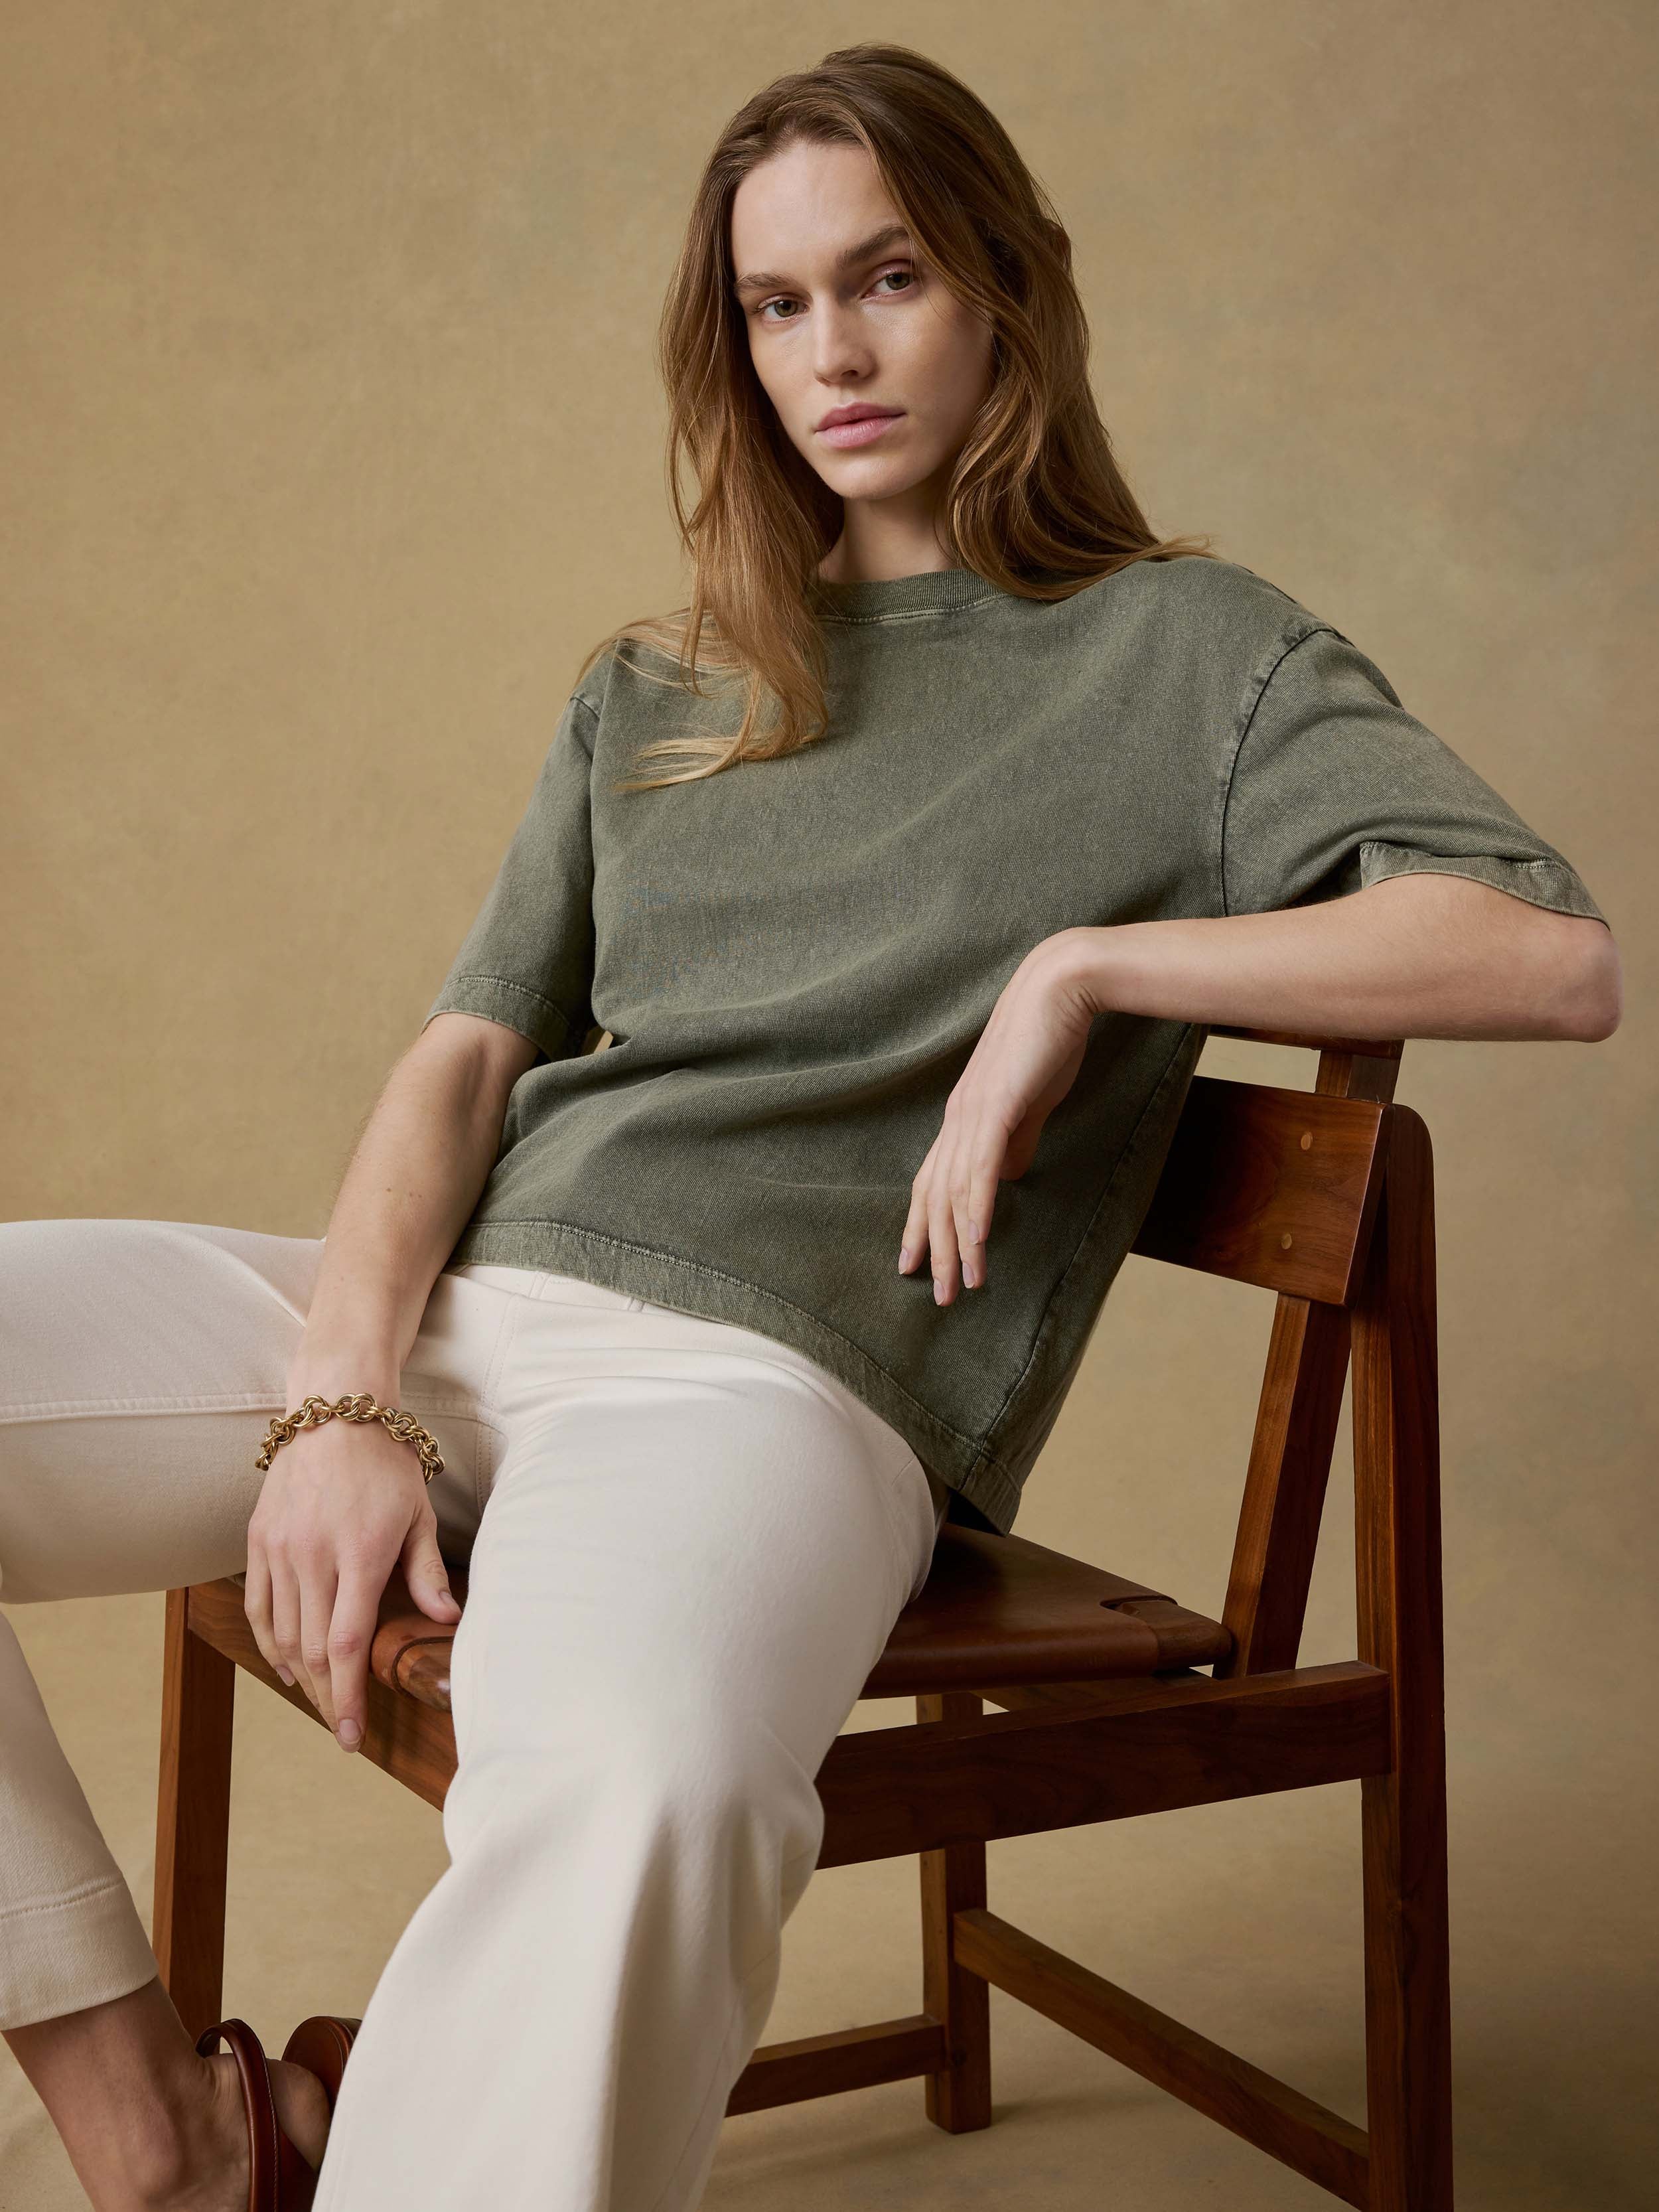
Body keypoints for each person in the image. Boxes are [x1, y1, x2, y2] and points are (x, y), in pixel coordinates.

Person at [0, 38, 1620, 2212]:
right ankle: (165, 2144)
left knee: (644, 1792)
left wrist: (1088, 968)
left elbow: (1545, 951)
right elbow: (464, 1063)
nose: (832, 354)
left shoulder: (1186, 655)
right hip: (469, 1310)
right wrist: (339, 1403)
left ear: (1005, 290)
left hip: (768, 1392)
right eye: (776, 305)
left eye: (888, 278)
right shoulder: (658, 687)